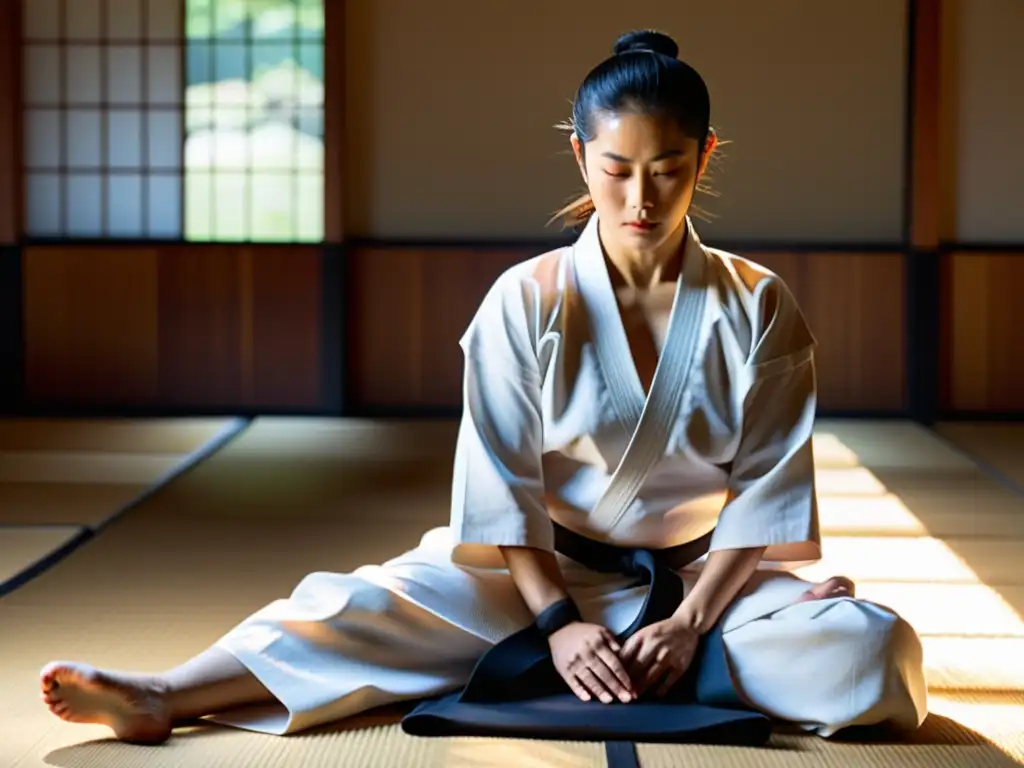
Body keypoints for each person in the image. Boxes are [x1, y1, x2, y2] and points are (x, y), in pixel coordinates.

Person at [39, 29, 928, 746]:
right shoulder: (525, 299)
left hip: (700, 581)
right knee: (357, 605)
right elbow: (501, 493)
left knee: (869, 650)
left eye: (667, 168)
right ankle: (164, 692)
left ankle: (679, 650)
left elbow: (767, 497)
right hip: (538, 577)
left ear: (705, 154)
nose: (641, 197)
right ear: (581, 157)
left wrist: (692, 620)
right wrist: (558, 628)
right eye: (616, 168)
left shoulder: (756, 303)